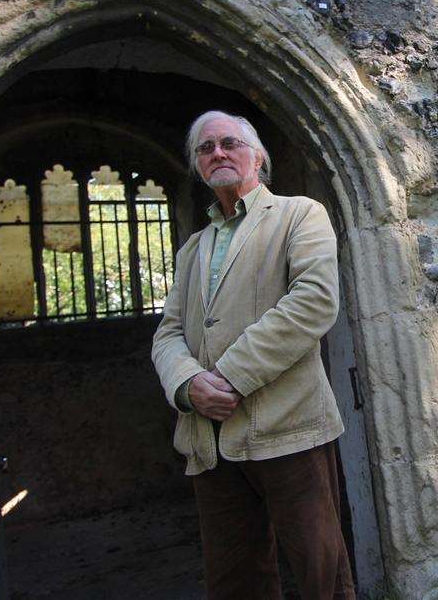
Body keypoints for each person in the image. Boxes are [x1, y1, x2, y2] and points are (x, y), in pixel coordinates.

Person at [151, 110, 355, 599]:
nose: (217, 152)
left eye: (229, 143)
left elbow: (314, 302)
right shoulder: (192, 249)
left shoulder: (299, 214)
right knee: (235, 580)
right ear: (198, 166)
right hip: (209, 440)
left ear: (258, 156)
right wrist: (188, 385)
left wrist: (227, 377)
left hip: (290, 427)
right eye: (205, 148)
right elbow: (168, 333)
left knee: (320, 572)